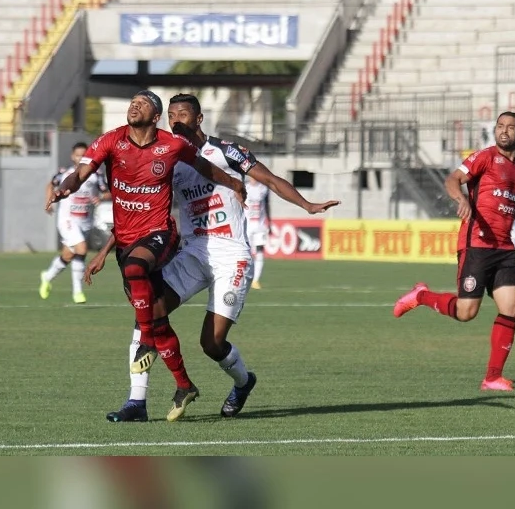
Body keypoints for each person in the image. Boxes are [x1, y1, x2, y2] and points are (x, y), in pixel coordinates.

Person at [89, 93, 339, 422]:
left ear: (199, 119)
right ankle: (137, 402)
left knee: (212, 343)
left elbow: (269, 179)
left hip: (231, 256)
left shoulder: (225, 152)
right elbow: (141, 212)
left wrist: (306, 205)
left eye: (182, 114)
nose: (176, 121)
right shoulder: (169, 155)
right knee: (147, 310)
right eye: (171, 116)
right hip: (193, 252)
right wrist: (106, 250)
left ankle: (243, 381)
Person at [48, 90, 245, 421]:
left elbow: (206, 168)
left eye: (142, 104)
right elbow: (80, 174)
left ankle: (147, 345)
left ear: (155, 117)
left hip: (160, 234)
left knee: (137, 273)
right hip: (125, 240)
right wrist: (66, 188)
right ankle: (164, 393)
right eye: (132, 102)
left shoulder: (172, 145)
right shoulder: (110, 141)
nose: (134, 106)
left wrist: (234, 184)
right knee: (153, 315)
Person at [392, 111, 515, 391]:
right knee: (466, 312)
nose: (504, 131)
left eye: (510, 127)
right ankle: (421, 296)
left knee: (512, 307)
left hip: (504, 248)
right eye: (500, 126)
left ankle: (492, 377)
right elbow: (452, 179)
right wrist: (462, 199)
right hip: (477, 244)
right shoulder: (485, 157)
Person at [41, 141, 110, 304]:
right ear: (73, 156)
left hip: (85, 221)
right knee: (82, 248)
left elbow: (108, 193)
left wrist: (100, 197)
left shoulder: (96, 175)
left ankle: (47, 276)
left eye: (83, 155)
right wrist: (48, 201)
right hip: (67, 220)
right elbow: (50, 184)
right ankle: (77, 292)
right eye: (78, 155)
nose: (80, 158)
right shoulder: (65, 173)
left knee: (68, 254)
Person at [244, 175, 271, 289]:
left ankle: (256, 280)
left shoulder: (264, 188)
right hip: (247, 226)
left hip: (260, 225)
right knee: (246, 252)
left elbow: (267, 205)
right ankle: (245, 277)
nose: (253, 178)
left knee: (260, 251)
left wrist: (270, 222)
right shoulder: (244, 187)